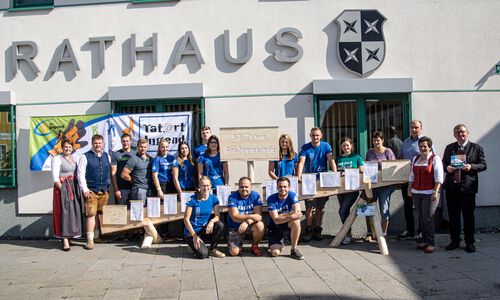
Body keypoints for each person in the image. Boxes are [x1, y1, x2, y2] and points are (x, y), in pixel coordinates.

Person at [443, 124, 487, 253]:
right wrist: (447, 168)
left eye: (463, 132)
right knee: (453, 216)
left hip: (468, 188)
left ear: (467, 133)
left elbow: (483, 165)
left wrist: (471, 167)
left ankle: (470, 242)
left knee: (468, 216)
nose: (460, 134)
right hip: (452, 188)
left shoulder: (476, 148)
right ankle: (455, 241)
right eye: (458, 132)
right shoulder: (450, 147)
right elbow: (443, 163)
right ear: (454, 135)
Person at [296, 127, 337, 241]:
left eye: (317, 135)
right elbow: (301, 162)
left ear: (321, 136)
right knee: (309, 206)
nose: (315, 137)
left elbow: (330, 159)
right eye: (313, 135)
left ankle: (318, 230)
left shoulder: (326, 146)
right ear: (310, 136)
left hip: (322, 180)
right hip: (308, 179)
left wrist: (334, 173)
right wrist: (299, 176)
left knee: (319, 207)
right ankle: (309, 230)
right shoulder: (305, 147)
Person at [407, 136, 444, 253]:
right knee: (421, 217)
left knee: (428, 218)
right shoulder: (415, 159)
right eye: (421, 146)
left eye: (425, 146)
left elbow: (439, 177)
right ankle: (424, 240)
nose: (423, 148)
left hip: (430, 193)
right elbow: (412, 176)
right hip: (416, 192)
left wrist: (435, 191)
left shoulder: (435, 159)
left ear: (429, 147)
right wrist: (409, 188)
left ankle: (431, 242)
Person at [77, 134, 112, 250]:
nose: (98, 145)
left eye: (100, 143)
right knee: (91, 215)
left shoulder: (107, 156)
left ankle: (97, 237)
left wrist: (107, 187)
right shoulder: (85, 156)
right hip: (91, 191)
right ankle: (90, 240)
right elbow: (80, 174)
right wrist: (85, 189)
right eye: (96, 143)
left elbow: (108, 172)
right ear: (92, 144)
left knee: (100, 215)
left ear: (103, 144)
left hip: (104, 191)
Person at [51, 138, 82, 251]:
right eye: (65, 147)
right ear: (62, 148)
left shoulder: (74, 158)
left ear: (72, 148)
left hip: (72, 187)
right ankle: (64, 240)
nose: (68, 149)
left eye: (69, 147)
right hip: (62, 188)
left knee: (72, 213)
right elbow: (55, 177)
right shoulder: (57, 159)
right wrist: (63, 190)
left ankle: (69, 236)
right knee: (64, 212)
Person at [183, 176, 225, 258]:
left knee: (220, 225)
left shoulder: (214, 198)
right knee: (203, 255)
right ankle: (192, 244)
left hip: (203, 229)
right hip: (191, 232)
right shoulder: (193, 199)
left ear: (211, 185)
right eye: (203, 185)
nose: (205, 188)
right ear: (199, 186)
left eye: (207, 185)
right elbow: (186, 219)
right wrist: (194, 236)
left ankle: (213, 249)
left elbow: (217, 216)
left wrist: (211, 222)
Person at [398, 120, 426, 240]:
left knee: (420, 206)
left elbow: (432, 158)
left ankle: (421, 231)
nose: (414, 130)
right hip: (407, 179)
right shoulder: (405, 142)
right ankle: (409, 230)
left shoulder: (425, 142)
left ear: (421, 128)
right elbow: (400, 159)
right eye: (412, 127)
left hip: (421, 179)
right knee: (407, 206)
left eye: (416, 127)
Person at [365, 131, 396, 238]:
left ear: (382, 140)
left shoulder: (388, 152)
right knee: (369, 209)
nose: (376, 142)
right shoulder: (370, 152)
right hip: (372, 186)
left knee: (384, 209)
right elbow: (366, 166)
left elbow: (393, 168)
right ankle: (371, 233)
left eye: (378, 140)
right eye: (374, 140)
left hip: (385, 186)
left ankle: (383, 233)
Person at [335, 137, 364, 245]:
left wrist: (348, 172)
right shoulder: (338, 159)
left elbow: (361, 171)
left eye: (347, 145)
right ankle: (348, 234)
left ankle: (347, 233)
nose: (346, 147)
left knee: (342, 211)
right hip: (340, 189)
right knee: (344, 212)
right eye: (343, 146)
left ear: (351, 146)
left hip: (352, 189)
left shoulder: (356, 157)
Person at [227, 177, 265, 256]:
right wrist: (252, 216)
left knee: (260, 225)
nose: (244, 189)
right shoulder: (232, 197)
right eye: (242, 187)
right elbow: (234, 217)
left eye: (246, 187)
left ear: (251, 187)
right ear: (238, 187)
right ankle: (236, 244)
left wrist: (247, 222)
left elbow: (258, 216)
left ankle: (255, 246)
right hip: (235, 227)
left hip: (250, 225)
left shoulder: (255, 196)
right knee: (234, 253)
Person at [267, 177, 304, 259]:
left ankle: (294, 249)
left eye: (285, 186)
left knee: (296, 221)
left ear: (289, 187)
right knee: (275, 253)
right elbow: (276, 220)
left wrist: (281, 215)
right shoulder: (271, 199)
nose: (282, 189)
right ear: (277, 187)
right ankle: (278, 243)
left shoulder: (292, 195)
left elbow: (297, 213)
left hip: (287, 224)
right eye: (280, 187)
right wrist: (290, 215)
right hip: (275, 227)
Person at [111, 133, 135, 205]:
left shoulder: (136, 153)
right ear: (121, 142)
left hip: (135, 187)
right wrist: (116, 189)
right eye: (123, 141)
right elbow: (113, 173)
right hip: (122, 188)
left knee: (135, 212)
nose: (125, 143)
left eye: (127, 141)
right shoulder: (116, 154)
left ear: (130, 141)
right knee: (123, 213)